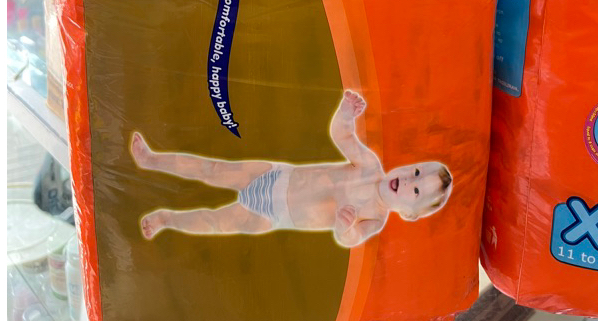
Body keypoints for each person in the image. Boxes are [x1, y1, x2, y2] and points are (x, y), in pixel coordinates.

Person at [130, 90, 453, 248]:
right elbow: (341, 135)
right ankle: (151, 160)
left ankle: (166, 219)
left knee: (215, 222)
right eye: (415, 171)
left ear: (409, 214)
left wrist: (344, 227)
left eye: (415, 190)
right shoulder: (370, 165)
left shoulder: (376, 219)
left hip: (273, 215)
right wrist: (345, 113)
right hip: (275, 176)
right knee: (213, 169)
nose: (408, 179)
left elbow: (350, 239)